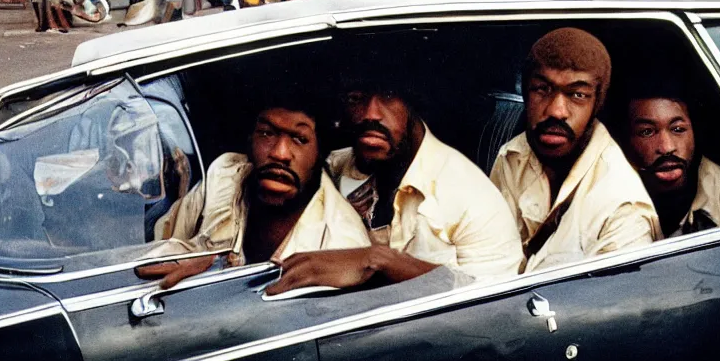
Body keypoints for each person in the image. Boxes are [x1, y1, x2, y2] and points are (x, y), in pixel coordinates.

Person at [264, 73, 523, 296]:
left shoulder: (473, 200)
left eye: (389, 96)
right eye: (357, 98)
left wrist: (381, 261)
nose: (370, 114)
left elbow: (495, 305)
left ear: (415, 103)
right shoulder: (335, 168)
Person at [137, 96, 371, 289]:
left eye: (299, 139)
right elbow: (165, 239)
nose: (280, 153)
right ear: (249, 140)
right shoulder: (226, 175)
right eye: (267, 133)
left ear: (320, 154)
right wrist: (195, 260)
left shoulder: (341, 241)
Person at [490, 28, 658, 273]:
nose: (557, 111)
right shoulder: (512, 156)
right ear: (526, 93)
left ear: (596, 104)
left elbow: (614, 305)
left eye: (577, 95)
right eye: (542, 89)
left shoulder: (623, 205)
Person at [621, 83, 720, 238]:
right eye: (647, 132)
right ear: (626, 143)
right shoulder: (612, 209)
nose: (666, 148)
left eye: (678, 129)